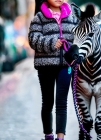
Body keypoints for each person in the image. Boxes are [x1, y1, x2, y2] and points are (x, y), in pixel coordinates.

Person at [28, 0, 78, 140]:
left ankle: (60, 137)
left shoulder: (72, 17)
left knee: (62, 102)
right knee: (48, 102)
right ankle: (48, 135)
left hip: (65, 66)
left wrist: (76, 53)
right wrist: (52, 42)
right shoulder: (39, 17)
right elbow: (33, 39)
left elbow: (78, 39)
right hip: (46, 65)